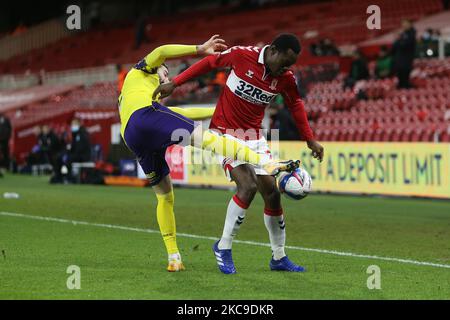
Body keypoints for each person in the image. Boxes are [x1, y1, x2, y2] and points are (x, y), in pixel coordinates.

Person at [119, 35, 297, 272]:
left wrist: (220, 108)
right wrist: (199, 48)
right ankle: (267, 163)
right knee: (209, 139)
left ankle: (174, 257)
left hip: (134, 137)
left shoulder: (144, 97)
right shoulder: (142, 71)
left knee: (164, 196)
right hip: (143, 118)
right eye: (165, 74)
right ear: (157, 70)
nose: (167, 77)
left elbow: (184, 112)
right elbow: (161, 49)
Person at [154, 33, 324, 274]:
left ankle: (278, 257)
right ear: (273, 50)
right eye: (284, 62)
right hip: (224, 133)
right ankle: (223, 247)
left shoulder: (284, 78)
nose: (286, 68)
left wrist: (310, 139)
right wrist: (176, 82)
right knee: (247, 186)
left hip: (254, 137)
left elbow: (295, 104)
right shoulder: (243, 55)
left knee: (272, 193)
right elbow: (210, 62)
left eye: (290, 65)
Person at [52, 119, 91, 183]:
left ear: (79, 124)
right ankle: (58, 176)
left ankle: (69, 177)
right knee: (58, 157)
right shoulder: (74, 134)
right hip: (75, 154)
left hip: (83, 156)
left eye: (75, 124)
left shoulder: (83, 134)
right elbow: (72, 147)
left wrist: (69, 154)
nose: (73, 126)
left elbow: (80, 149)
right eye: (72, 124)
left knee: (68, 159)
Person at [392, 20, 417, 89]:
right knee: (400, 74)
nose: (404, 26)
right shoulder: (403, 35)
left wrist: (399, 40)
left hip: (406, 59)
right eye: (403, 24)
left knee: (405, 74)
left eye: (406, 24)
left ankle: (405, 86)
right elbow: (394, 47)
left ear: (410, 24)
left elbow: (405, 45)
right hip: (400, 59)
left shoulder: (411, 35)